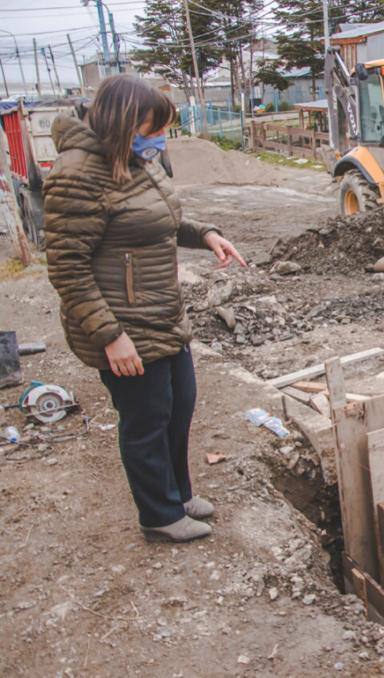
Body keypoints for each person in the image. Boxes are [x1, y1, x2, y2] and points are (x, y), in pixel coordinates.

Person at [43, 74, 246, 542]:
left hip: (162, 314)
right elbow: (67, 269)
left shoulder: (137, 160)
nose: (159, 140)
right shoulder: (76, 174)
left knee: (179, 406)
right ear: (123, 123)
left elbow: (163, 219)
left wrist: (205, 234)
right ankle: (158, 515)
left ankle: (177, 494)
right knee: (146, 420)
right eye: (152, 129)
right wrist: (110, 336)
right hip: (123, 323)